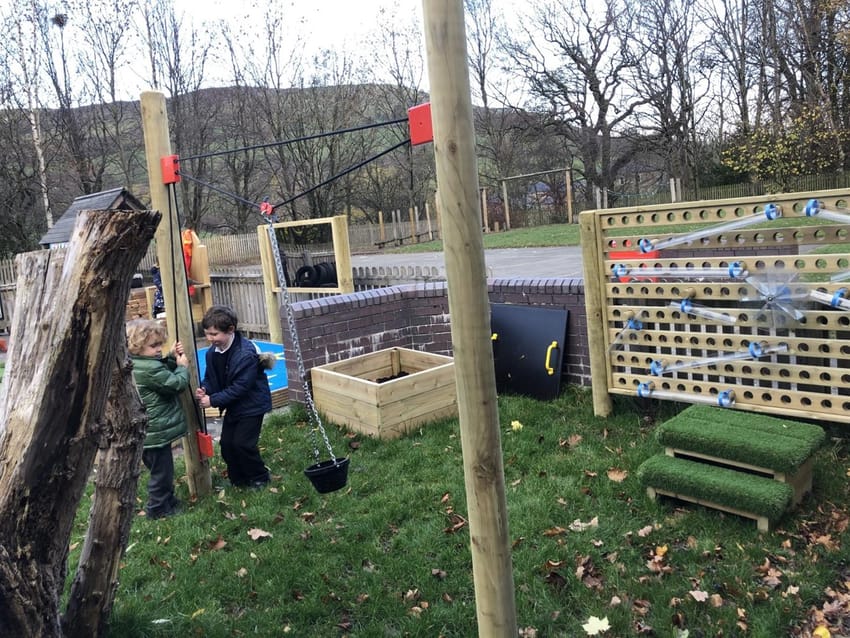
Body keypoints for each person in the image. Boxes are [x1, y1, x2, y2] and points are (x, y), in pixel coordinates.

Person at [196, 305, 273, 489]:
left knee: (243, 444)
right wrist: (205, 389)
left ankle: (259, 477)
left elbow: (240, 387)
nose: (210, 338)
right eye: (207, 334)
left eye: (214, 334)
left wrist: (212, 401)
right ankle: (238, 478)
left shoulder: (245, 355)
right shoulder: (212, 353)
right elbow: (212, 378)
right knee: (227, 444)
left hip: (252, 405)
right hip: (234, 406)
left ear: (230, 330)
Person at [127, 319, 190, 519]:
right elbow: (175, 384)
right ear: (136, 346)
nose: (158, 349)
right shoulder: (149, 369)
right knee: (161, 473)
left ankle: (168, 500)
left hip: (149, 432)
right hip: (155, 433)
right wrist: (182, 368)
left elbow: (161, 372)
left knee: (162, 470)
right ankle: (157, 508)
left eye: (160, 345)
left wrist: (170, 357)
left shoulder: (138, 363)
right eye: (154, 346)